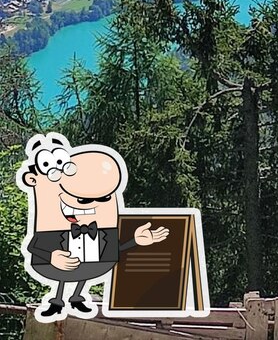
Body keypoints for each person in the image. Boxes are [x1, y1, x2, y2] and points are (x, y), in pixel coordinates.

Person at [17, 132, 169, 321]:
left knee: (84, 270)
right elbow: (33, 247)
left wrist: (136, 241)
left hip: (91, 267)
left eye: (104, 198)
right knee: (67, 272)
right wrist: (51, 257)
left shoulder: (103, 232)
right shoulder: (50, 229)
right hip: (57, 267)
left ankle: (77, 297)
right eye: (82, 199)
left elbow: (114, 251)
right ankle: (57, 302)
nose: (88, 203)